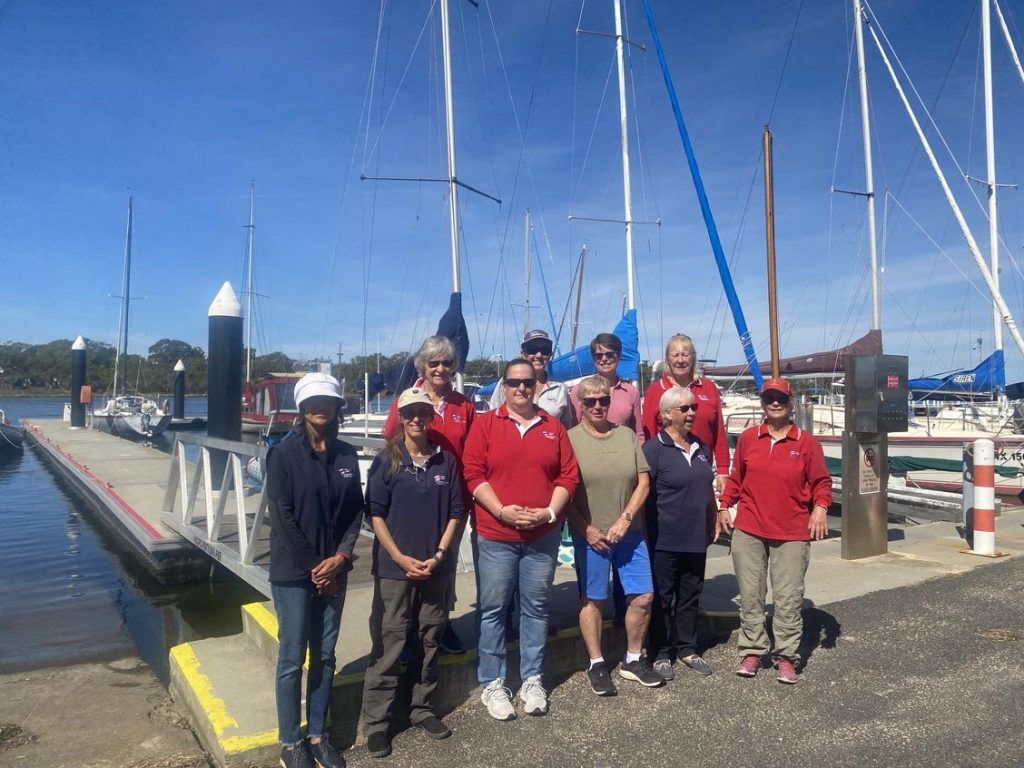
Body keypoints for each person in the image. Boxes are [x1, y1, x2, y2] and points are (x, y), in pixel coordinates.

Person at [463, 359, 579, 720]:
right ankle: (493, 683)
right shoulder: (485, 425)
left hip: (542, 536)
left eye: (527, 382)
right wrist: (501, 510)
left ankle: (532, 678)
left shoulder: (553, 427)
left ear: (536, 384)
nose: (521, 389)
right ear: (505, 385)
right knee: (494, 610)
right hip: (497, 534)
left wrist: (547, 514)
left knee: (536, 609)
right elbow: (472, 473)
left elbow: (568, 477)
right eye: (514, 382)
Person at [266, 372, 364, 768]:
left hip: (334, 570)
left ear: (338, 407)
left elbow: (356, 511)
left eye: (329, 401)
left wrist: (340, 559)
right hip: (294, 572)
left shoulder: (345, 454)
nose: (321, 408)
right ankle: (290, 741)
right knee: (292, 658)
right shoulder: (283, 455)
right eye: (313, 401)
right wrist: (315, 568)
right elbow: (282, 515)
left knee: (325, 655)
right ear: (302, 407)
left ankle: (318, 734)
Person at [360, 387, 463, 758]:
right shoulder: (386, 460)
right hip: (394, 568)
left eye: (423, 412)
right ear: (400, 418)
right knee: (390, 643)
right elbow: (375, 514)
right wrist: (401, 558)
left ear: (431, 416)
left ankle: (421, 708)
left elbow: (455, 511)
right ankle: (377, 723)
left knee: (430, 637)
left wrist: (438, 555)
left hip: (436, 567)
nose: (417, 419)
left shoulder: (445, 460)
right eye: (410, 413)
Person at [717, 377, 832, 685]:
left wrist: (820, 508)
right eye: (769, 397)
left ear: (790, 402)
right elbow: (736, 479)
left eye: (781, 397)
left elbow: (822, 482)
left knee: (788, 598)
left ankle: (786, 657)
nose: (775, 403)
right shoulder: (748, 439)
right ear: (762, 402)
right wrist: (724, 506)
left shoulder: (806, 442)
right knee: (751, 596)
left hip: (792, 531)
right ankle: (753, 651)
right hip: (750, 528)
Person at [565, 376, 661, 695]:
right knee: (593, 598)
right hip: (590, 534)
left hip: (629, 533)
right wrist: (586, 529)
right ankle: (597, 663)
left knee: (643, 595)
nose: (597, 406)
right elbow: (564, 491)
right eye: (590, 401)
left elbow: (643, 483)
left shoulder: (626, 437)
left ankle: (633, 660)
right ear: (580, 404)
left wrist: (626, 518)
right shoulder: (570, 439)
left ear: (610, 402)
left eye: (603, 400)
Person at [382, 335, 475, 654]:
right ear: (422, 364)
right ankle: (406, 629)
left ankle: (441, 624)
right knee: (408, 560)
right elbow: (389, 445)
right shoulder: (406, 400)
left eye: (447, 363)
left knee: (444, 563)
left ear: (454, 367)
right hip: (411, 499)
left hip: (452, 501)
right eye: (433, 362)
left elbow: (474, 452)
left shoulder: (465, 405)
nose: (440, 368)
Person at [643, 387, 719, 682]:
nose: (691, 413)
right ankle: (661, 651)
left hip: (695, 536)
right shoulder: (653, 449)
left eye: (693, 408)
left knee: (691, 594)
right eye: (684, 409)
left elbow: (706, 490)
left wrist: (712, 518)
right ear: (666, 415)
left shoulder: (700, 446)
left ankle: (687, 646)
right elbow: (643, 495)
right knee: (663, 597)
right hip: (664, 538)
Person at [641, 334, 729, 490]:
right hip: (668, 475)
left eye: (685, 355)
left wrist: (723, 470)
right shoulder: (655, 391)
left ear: (693, 358)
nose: (680, 360)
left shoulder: (708, 388)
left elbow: (719, 432)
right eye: (675, 355)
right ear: (668, 360)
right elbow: (648, 435)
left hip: (702, 469)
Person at [489, 329, 573, 428]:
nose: (539, 355)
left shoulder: (560, 389)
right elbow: (493, 416)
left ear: (550, 355)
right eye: (532, 350)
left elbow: (567, 426)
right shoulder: (507, 382)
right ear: (523, 354)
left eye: (545, 350)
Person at [569, 333, 642, 440]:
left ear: (619, 355)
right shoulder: (579, 390)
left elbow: (638, 434)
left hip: (622, 451)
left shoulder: (631, 392)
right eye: (598, 355)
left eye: (609, 354)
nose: (604, 359)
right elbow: (573, 429)